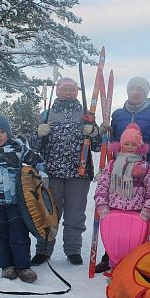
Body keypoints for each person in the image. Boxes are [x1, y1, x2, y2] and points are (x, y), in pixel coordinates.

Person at [94, 76, 150, 273]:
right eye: (132, 88)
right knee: (116, 213)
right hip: (119, 166)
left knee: (140, 215)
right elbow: (114, 139)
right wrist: (105, 133)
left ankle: (138, 256)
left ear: (146, 92)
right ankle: (111, 255)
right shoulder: (118, 114)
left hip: (148, 164)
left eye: (139, 89)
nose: (135, 92)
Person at [29, 77, 101, 266]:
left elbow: (98, 146)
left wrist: (94, 133)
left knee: (75, 213)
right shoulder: (46, 114)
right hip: (51, 172)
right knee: (49, 212)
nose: (68, 92)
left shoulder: (87, 114)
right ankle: (44, 250)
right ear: (58, 91)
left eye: (72, 89)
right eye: (64, 89)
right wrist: (38, 133)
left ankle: (73, 249)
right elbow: (34, 145)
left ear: (77, 91)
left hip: (79, 172)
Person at [0, 114, 48, 283]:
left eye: (2, 131)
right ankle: (6, 266)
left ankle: (23, 266)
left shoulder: (18, 149)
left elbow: (38, 160)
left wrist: (42, 174)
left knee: (19, 234)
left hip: (17, 203)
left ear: (8, 132)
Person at [94, 123, 150, 270]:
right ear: (120, 146)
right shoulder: (112, 166)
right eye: (127, 143)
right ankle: (116, 269)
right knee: (116, 242)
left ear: (140, 147)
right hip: (113, 211)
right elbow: (102, 186)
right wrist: (102, 206)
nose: (130, 147)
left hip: (136, 213)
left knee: (136, 243)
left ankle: (134, 270)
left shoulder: (145, 168)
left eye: (133, 144)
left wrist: (147, 209)